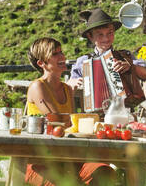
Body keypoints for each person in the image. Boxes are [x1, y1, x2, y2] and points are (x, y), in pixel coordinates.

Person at [26, 37, 116, 186]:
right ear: (41, 63)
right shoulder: (38, 87)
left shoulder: (67, 89)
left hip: (68, 157)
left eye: (61, 52)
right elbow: (60, 122)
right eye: (55, 54)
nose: (62, 57)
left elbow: (73, 125)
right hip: (41, 159)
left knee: (104, 171)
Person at [67, 8, 146, 108]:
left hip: (126, 109)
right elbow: (69, 89)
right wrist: (72, 83)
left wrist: (131, 66)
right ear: (90, 36)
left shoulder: (125, 56)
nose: (106, 38)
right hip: (96, 112)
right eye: (100, 35)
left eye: (109, 33)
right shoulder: (83, 61)